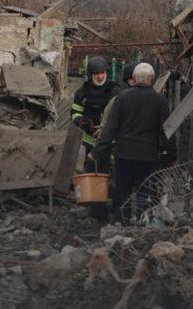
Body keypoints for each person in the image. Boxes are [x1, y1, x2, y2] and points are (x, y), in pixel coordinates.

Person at [92, 62, 174, 223]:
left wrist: (96, 150)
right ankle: (142, 220)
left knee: (123, 189)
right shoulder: (160, 100)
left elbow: (111, 127)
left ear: (134, 78)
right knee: (145, 189)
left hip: (124, 153)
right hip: (148, 154)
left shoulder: (122, 97)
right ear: (152, 79)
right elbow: (167, 130)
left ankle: (122, 220)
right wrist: (170, 154)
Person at [70, 56, 121, 171]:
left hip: (110, 141)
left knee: (110, 171)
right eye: (96, 74)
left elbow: (120, 114)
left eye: (102, 73)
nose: (100, 77)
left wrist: (106, 128)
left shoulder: (114, 90)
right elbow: (75, 112)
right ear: (90, 75)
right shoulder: (82, 91)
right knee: (90, 171)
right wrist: (81, 121)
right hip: (90, 140)